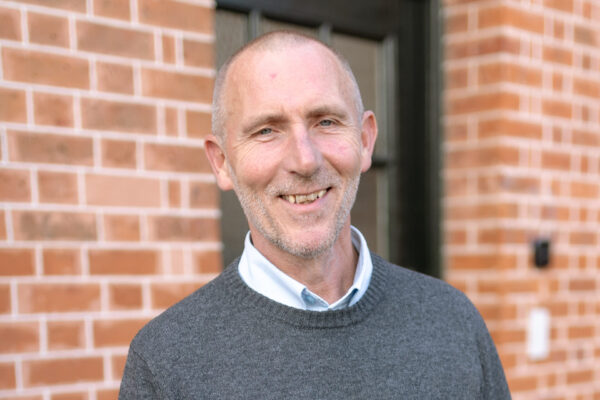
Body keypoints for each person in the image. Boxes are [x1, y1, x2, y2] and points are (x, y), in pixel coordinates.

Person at [119, 31, 511, 399]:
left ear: (364, 140)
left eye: (325, 121)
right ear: (221, 162)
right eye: (267, 131)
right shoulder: (165, 362)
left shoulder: (453, 321)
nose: (305, 160)